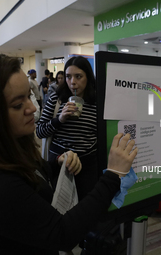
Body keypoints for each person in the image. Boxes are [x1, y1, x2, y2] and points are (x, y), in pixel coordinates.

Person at [0, 54, 138, 254]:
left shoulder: (9, 150)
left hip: (84, 165)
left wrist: (56, 163)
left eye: (29, 96)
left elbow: (30, 177)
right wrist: (113, 174)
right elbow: (60, 233)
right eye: (17, 105)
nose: (32, 108)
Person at [36, 56, 98, 201]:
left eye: (78, 76)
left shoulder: (96, 101)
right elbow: (39, 131)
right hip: (60, 162)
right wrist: (59, 119)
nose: (73, 82)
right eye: (68, 77)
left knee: (87, 206)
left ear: (88, 77)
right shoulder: (56, 98)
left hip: (87, 164)